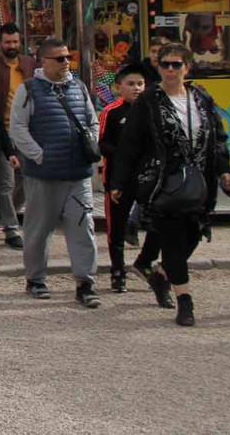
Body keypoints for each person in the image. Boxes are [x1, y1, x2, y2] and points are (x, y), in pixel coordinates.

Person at [111, 45, 230, 326]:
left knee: (192, 237)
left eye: (176, 65)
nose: (170, 70)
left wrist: (224, 172)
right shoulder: (149, 102)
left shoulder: (201, 98)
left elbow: (217, 139)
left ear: (187, 68)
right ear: (158, 68)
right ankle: (185, 302)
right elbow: (130, 144)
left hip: (199, 183)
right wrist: (118, 182)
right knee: (172, 242)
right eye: (165, 64)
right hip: (163, 183)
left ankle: (160, 276)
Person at [7, 38, 101, 308]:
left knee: (83, 228)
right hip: (44, 174)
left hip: (77, 173)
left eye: (67, 57)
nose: (65, 62)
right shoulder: (29, 90)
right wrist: (39, 155)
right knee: (38, 229)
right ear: (43, 61)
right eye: (59, 58)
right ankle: (35, 278)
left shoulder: (78, 87)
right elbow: (18, 128)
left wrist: (90, 142)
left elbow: (91, 119)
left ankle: (85, 282)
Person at [98, 63, 146, 294]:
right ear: (119, 87)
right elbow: (102, 143)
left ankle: (150, 264)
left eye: (140, 84)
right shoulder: (112, 111)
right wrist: (123, 156)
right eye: (131, 84)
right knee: (115, 228)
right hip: (117, 179)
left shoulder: (149, 110)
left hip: (146, 178)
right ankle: (118, 271)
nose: (136, 88)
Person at [0, 24, 33, 249]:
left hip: (27, 130)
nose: (12, 46)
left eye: (15, 42)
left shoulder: (29, 64)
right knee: (6, 182)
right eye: (7, 42)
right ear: (0, 43)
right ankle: (11, 229)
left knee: (26, 177)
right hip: (2, 131)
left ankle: (7, 214)